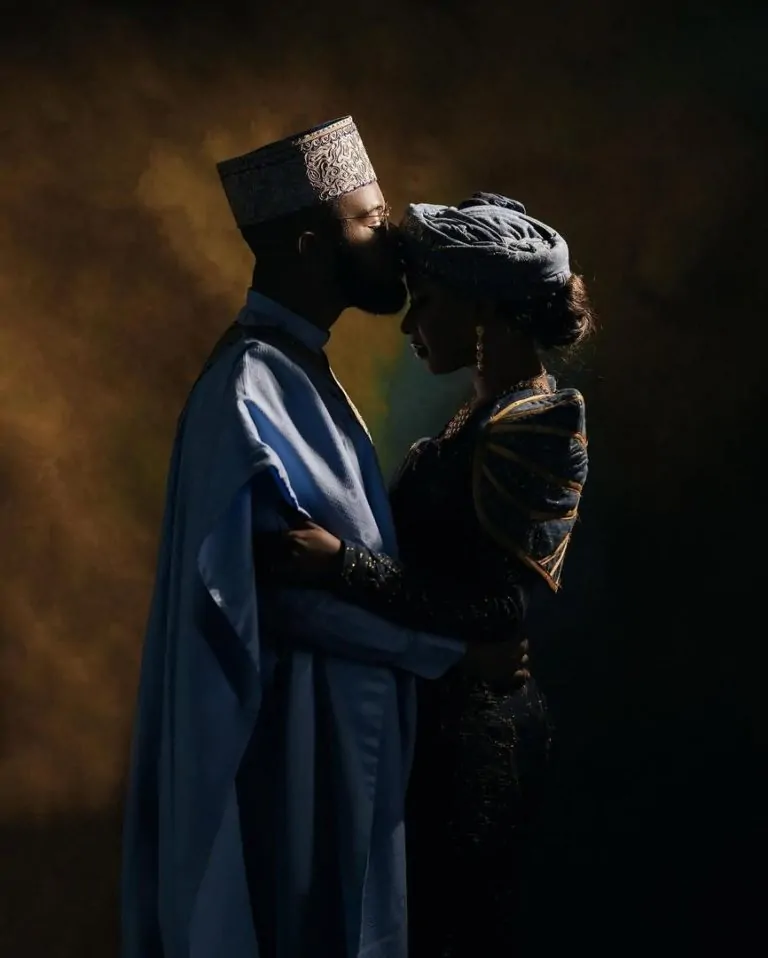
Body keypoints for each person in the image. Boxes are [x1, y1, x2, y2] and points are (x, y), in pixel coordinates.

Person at [120, 118, 529, 958]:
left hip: (341, 742)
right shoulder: (249, 388)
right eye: (370, 220)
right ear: (310, 244)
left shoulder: (295, 366)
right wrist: (451, 654)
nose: (394, 238)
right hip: (294, 750)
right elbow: (274, 601)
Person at [258, 192, 594, 957]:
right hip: (438, 713)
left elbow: (492, 611)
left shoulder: (535, 425)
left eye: (428, 303)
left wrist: (341, 564)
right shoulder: (481, 415)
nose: (410, 325)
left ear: (483, 311)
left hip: (477, 734)